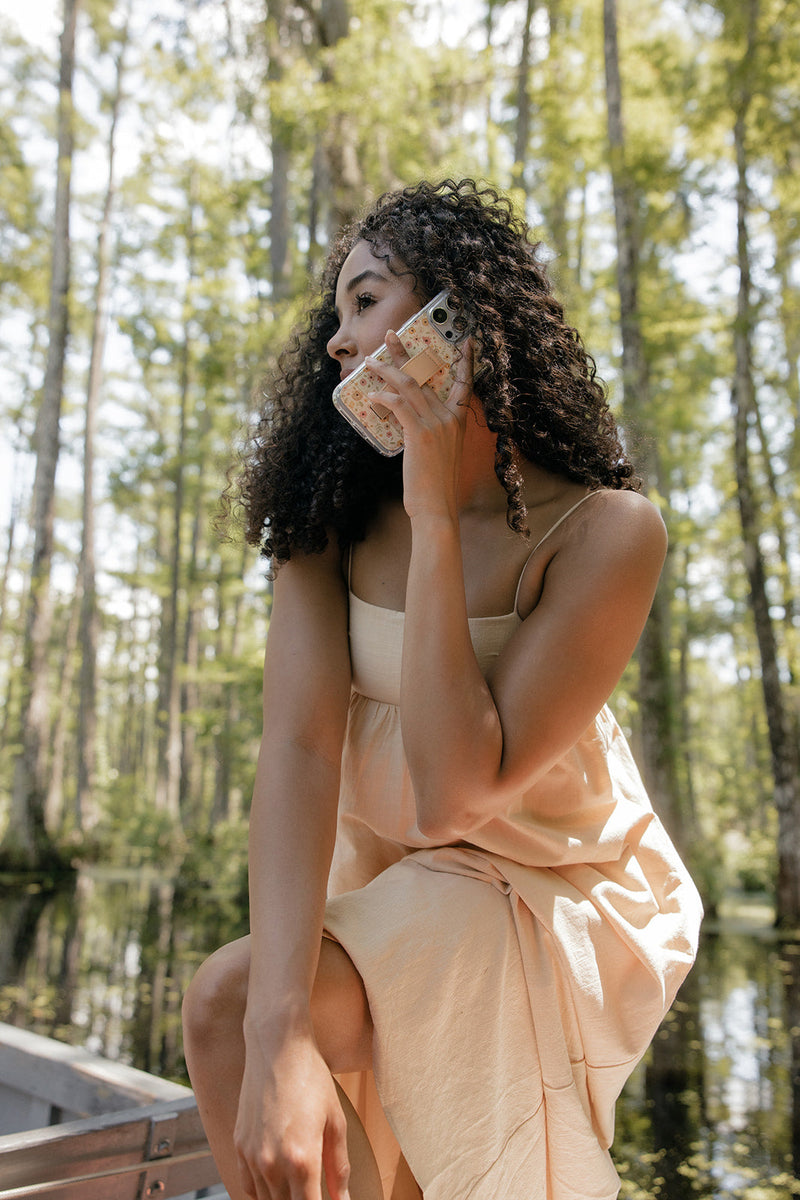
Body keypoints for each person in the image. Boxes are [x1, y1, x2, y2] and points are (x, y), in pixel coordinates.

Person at [182, 178, 703, 1200]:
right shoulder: (324, 517)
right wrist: (282, 1032)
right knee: (244, 1020)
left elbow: (455, 794)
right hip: (388, 868)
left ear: (458, 317)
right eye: (335, 315)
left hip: (542, 881)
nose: (338, 342)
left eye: (366, 300)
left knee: (231, 1002)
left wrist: (432, 513)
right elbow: (297, 749)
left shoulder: (605, 531)